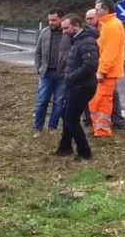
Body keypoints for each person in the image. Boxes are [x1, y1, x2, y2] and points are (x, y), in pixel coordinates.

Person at [55, 14, 99, 160]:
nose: (64, 31)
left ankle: (85, 153)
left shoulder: (87, 41)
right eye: (62, 28)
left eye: (66, 28)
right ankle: (65, 147)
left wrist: (71, 77)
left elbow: (90, 66)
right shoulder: (77, 40)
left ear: (76, 26)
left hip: (82, 87)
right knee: (67, 115)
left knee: (71, 120)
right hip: (76, 86)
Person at [88, 0, 125, 137]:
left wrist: (102, 71)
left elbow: (109, 51)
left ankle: (102, 131)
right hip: (102, 71)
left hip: (106, 72)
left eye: (97, 9)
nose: (95, 12)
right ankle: (98, 128)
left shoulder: (112, 26)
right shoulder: (107, 25)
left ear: (106, 9)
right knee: (96, 100)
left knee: (102, 101)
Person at [33, 8, 71, 136]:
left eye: (54, 20)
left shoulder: (68, 34)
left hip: (62, 74)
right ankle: (38, 128)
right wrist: (38, 68)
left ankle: (52, 127)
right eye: (49, 20)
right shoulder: (44, 32)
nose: (51, 22)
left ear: (62, 18)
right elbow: (37, 52)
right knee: (41, 101)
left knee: (59, 102)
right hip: (46, 73)